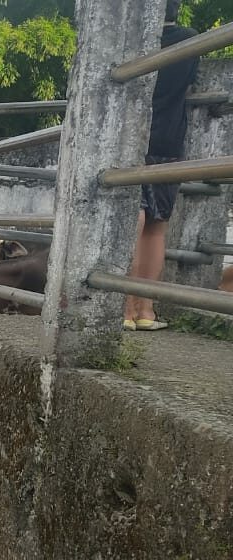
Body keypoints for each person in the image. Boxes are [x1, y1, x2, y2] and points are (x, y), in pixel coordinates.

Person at [124, 0, 199, 331]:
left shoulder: (130, 42)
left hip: (129, 138)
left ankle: (123, 309)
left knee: (131, 220)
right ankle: (146, 311)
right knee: (156, 226)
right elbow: (190, 82)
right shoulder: (189, 39)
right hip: (168, 140)